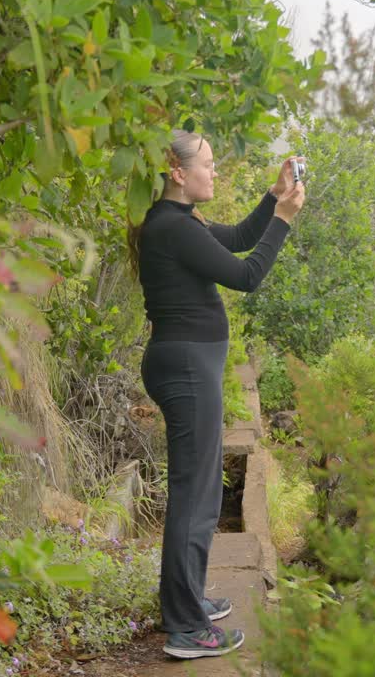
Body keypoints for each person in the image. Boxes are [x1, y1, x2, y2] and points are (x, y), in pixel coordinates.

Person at [128, 129, 305, 659]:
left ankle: (185, 604)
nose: (214, 171)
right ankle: (185, 627)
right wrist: (287, 221)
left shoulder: (180, 222)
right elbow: (247, 274)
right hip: (185, 367)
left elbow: (235, 238)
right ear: (178, 173)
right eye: (207, 164)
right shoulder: (170, 227)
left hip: (187, 364)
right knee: (195, 495)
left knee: (200, 492)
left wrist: (274, 198)